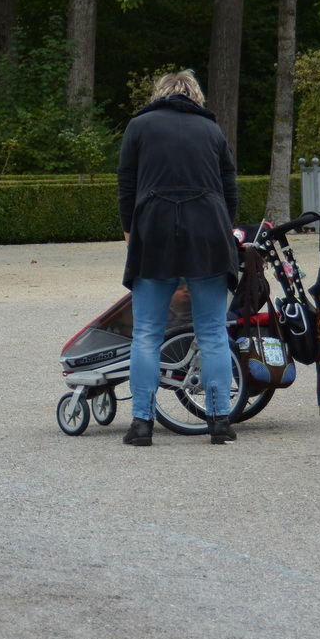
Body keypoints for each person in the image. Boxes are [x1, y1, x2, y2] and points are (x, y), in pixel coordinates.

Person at [116, 69, 240, 446]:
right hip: (208, 234)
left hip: (154, 232)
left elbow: (126, 184)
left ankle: (141, 424)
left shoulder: (139, 126)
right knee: (214, 333)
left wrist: (129, 233)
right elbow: (229, 188)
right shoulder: (212, 131)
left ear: (161, 94)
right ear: (195, 96)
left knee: (147, 334)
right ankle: (219, 421)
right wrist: (223, 229)